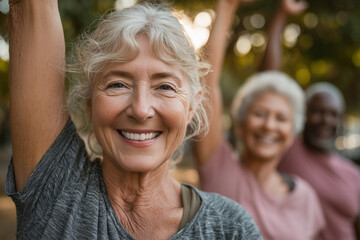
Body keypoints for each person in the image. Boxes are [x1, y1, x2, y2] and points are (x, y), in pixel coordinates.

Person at [5, 0, 263, 239]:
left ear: (192, 106)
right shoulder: (56, 189)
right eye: (117, 84)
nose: (141, 110)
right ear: (90, 104)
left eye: (165, 87)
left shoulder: (229, 227)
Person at [193, 0, 324, 239]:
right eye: (259, 114)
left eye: (281, 118)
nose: (269, 125)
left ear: (292, 134)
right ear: (240, 125)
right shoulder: (219, 167)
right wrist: (226, 5)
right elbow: (206, 85)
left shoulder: (305, 197)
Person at [258, 0, 360, 239]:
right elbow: (267, 85)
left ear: (340, 122)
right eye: (317, 111)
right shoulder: (288, 149)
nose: (325, 120)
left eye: (333, 114)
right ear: (302, 116)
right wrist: (281, 16)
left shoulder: (354, 174)